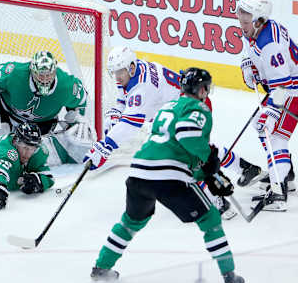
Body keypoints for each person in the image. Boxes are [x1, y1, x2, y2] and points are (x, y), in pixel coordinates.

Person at [89, 68, 245, 283]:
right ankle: (231, 278)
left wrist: (207, 175)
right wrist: (208, 158)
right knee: (210, 218)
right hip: (169, 177)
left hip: (139, 172)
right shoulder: (199, 108)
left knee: (131, 221)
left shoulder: (166, 107)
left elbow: (174, 148)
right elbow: (186, 134)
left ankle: (101, 267)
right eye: (206, 88)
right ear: (201, 90)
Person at [82, 46, 259, 218]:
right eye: (115, 72)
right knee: (199, 152)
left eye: (120, 71)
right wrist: (117, 111)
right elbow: (124, 98)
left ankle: (218, 201)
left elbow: (129, 125)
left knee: (186, 159)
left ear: (131, 67)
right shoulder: (132, 72)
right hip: (178, 111)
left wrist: (105, 147)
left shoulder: (142, 87)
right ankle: (244, 167)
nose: (117, 77)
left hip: (191, 109)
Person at [0, 50, 95, 166]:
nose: (46, 79)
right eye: (41, 75)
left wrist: (77, 117)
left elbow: (83, 102)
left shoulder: (67, 85)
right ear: (32, 70)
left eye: (49, 74)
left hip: (41, 127)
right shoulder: (14, 72)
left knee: (41, 155)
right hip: (8, 116)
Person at [237, 0, 298, 212]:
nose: (241, 24)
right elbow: (250, 49)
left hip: (291, 91)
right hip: (282, 89)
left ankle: (278, 193)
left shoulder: (271, 44)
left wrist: (273, 113)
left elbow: (283, 84)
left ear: (259, 20)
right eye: (240, 19)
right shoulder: (256, 29)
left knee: (274, 135)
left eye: (246, 21)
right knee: (259, 124)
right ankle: (284, 174)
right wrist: (247, 64)